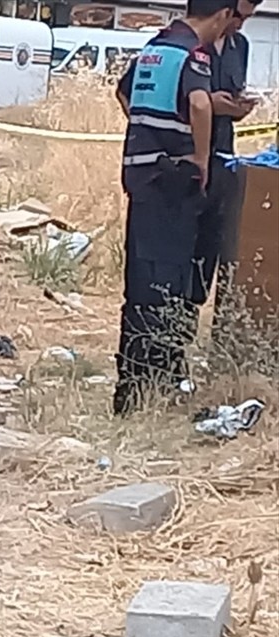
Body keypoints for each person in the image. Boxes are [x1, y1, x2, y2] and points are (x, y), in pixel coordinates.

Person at [110, 0, 238, 416]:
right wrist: (199, 157)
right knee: (167, 284)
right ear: (222, 15)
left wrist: (148, 129)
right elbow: (199, 103)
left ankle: (132, 387)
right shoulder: (192, 53)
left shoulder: (155, 47)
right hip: (172, 181)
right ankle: (155, 386)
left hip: (142, 176)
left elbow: (123, 92)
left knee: (141, 284)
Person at [193, 0, 259, 321]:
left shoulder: (240, 47)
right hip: (188, 160)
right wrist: (208, 105)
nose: (239, 24)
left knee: (211, 248)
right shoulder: (190, 43)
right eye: (238, 16)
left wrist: (239, 108)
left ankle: (193, 317)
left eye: (247, 18)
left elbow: (232, 100)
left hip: (223, 160)